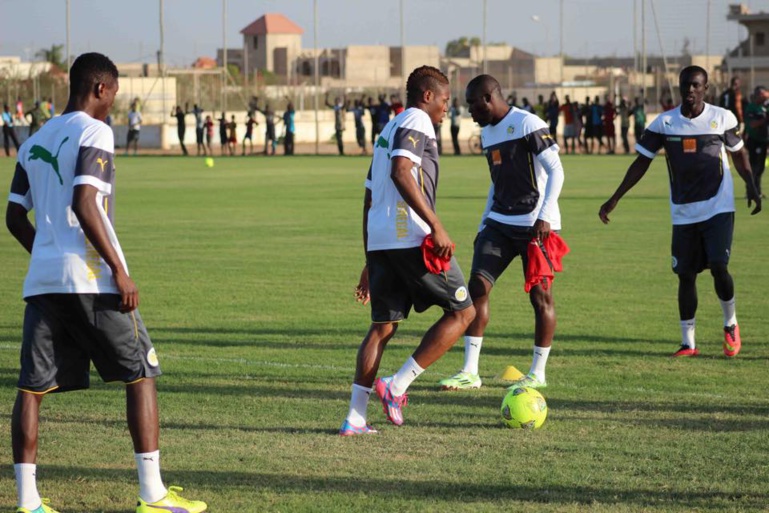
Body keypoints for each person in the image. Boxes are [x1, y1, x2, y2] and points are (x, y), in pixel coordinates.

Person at [5, 52, 206, 513]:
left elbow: (15, 216)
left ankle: (28, 502)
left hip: (43, 283)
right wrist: (117, 267)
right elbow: (85, 201)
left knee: (32, 389)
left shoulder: (36, 138)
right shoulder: (95, 131)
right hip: (93, 280)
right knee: (141, 373)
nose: (113, 103)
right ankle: (152, 494)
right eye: (113, 93)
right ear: (100, 89)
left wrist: (44, 254)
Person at [339, 65, 475, 435]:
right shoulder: (417, 119)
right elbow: (402, 172)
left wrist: (370, 259)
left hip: (382, 238)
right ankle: (396, 386)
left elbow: (369, 196)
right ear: (427, 96)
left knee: (382, 327)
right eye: (445, 100)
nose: (448, 108)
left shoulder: (387, 128)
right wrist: (436, 225)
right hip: (410, 236)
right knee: (464, 312)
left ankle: (354, 418)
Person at [599, 65, 762, 359]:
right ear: (679, 86)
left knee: (719, 266)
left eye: (696, 85)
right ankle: (688, 343)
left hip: (718, 208)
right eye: (685, 85)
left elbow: (739, 154)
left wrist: (751, 185)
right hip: (683, 212)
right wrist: (615, 198)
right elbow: (641, 163)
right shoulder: (664, 124)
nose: (690, 90)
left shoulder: (721, 118)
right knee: (685, 274)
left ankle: (730, 323)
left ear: (705, 89)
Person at [438, 74, 565, 392]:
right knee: (476, 288)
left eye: (471, 104)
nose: (469, 112)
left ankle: (538, 372)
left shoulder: (527, 123)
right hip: (498, 223)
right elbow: (497, 184)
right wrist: (484, 223)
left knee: (541, 297)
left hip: (535, 224)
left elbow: (556, 169)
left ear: (488, 98)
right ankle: (470, 372)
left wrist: (546, 216)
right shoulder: (487, 135)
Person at [744, 86, 769, 198]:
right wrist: (765, 119)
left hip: (764, 141)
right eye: (763, 95)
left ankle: (757, 191)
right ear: (758, 95)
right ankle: (751, 192)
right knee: (754, 167)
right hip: (754, 141)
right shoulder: (751, 108)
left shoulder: (765, 107)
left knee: (761, 168)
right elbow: (752, 124)